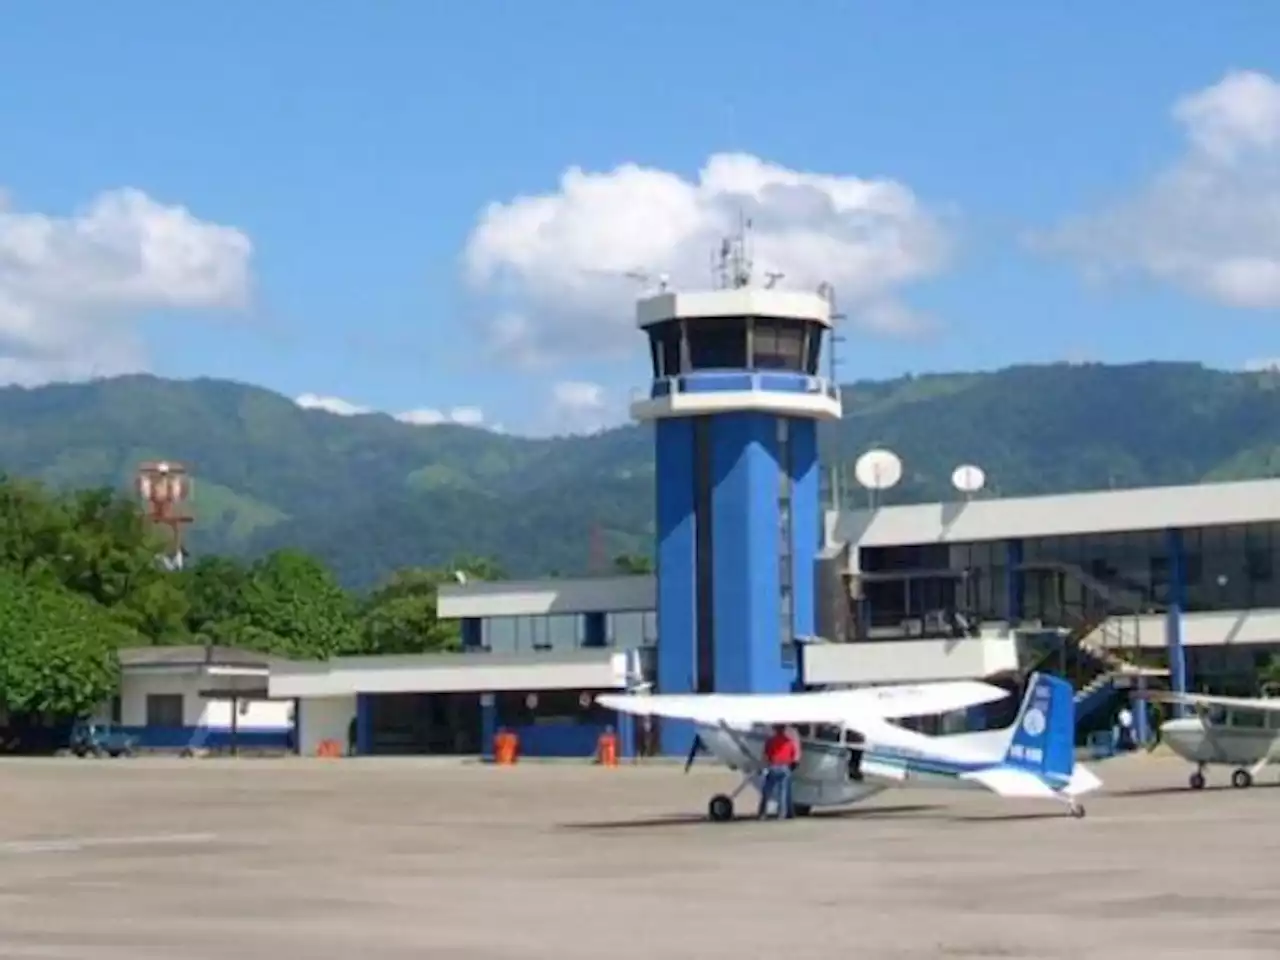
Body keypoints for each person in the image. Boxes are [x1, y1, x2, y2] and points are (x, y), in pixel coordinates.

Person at [758, 724, 800, 820]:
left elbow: (766, 755)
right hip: (785, 767)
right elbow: (793, 756)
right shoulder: (789, 741)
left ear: (775, 729)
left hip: (773, 766)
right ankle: (782, 814)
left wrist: (763, 767)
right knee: (783, 793)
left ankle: (762, 813)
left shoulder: (770, 741)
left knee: (766, 791)